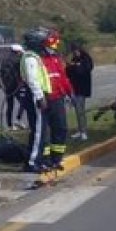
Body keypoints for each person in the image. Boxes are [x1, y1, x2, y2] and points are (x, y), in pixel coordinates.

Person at [40, 30, 74, 169]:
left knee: (61, 128)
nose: (55, 44)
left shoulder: (56, 59)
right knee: (45, 131)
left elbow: (63, 78)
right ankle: (45, 160)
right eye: (53, 41)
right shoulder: (39, 59)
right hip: (45, 99)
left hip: (58, 98)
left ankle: (57, 159)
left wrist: (70, 93)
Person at [19, 28, 51, 173]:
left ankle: (34, 159)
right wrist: (40, 97)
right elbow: (32, 79)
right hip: (35, 96)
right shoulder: (31, 57)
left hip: (36, 95)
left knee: (39, 129)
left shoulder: (33, 56)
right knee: (38, 130)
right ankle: (33, 162)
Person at [65, 42, 94, 141]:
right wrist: (71, 66)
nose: (74, 54)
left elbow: (82, 70)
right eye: (73, 52)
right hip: (74, 88)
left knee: (80, 111)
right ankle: (80, 130)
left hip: (82, 89)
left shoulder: (86, 59)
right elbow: (68, 72)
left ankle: (84, 132)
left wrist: (73, 66)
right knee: (77, 111)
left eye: (76, 51)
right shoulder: (75, 59)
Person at [0, 45, 27, 129]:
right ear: (17, 52)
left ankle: (9, 125)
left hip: (7, 86)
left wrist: (4, 85)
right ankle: (18, 120)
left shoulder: (4, 60)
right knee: (24, 102)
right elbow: (22, 72)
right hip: (17, 85)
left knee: (10, 106)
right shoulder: (18, 60)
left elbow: (1, 74)